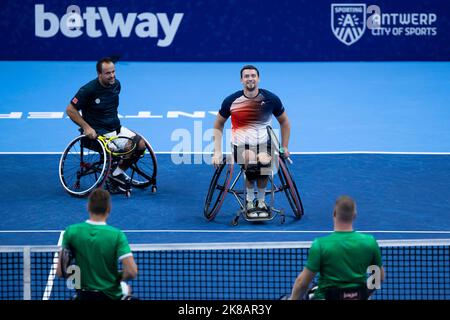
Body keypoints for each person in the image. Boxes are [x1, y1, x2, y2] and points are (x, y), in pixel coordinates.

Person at [212, 65, 291, 218]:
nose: (250, 78)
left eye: (253, 75)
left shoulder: (271, 99)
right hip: (241, 145)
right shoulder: (232, 100)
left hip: (264, 144)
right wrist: (217, 151)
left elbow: (285, 122)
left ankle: (261, 201)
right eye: (246, 76)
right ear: (242, 80)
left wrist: (285, 146)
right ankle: (249, 200)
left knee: (264, 162)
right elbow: (218, 124)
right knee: (251, 161)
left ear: (258, 78)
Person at [66, 57, 146, 191]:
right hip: (98, 133)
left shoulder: (116, 85)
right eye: (108, 73)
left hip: (116, 128)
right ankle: (114, 175)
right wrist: (86, 127)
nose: (112, 75)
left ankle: (116, 173)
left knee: (141, 145)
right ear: (99, 74)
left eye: (113, 71)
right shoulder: (88, 90)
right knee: (126, 148)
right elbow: (70, 110)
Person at [290, 196, 385, 300]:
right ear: (354, 215)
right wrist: (361, 294)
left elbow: (302, 283)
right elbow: (378, 278)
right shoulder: (370, 242)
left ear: (334, 213)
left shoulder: (320, 245)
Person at [56, 188, 138, 300]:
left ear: (88, 207)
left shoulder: (71, 232)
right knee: (127, 290)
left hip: (84, 296)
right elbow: (131, 272)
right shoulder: (117, 235)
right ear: (109, 209)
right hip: (110, 296)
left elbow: (61, 272)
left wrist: (83, 278)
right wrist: (116, 278)